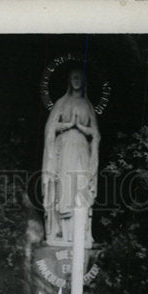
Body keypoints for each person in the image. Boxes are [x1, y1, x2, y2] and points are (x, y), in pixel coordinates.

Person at [42, 66, 100, 246]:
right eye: (73, 77)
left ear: (84, 81)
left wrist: (80, 127)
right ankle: (62, 232)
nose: (76, 81)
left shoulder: (87, 105)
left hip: (82, 150)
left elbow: (96, 134)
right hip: (64, 149)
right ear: (69, 80)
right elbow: (50, 128)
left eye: (79, 78)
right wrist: (68, 125)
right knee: (65, 188)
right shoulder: (61, 103)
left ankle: (82, 232)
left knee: (81, 186)